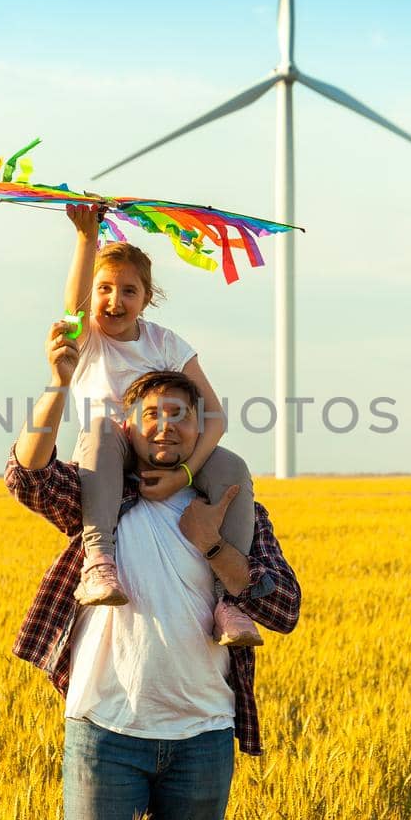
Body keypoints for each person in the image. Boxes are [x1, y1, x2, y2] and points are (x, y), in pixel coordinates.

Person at [5, 324, 302, 820]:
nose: (165, 425)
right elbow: (27, 476)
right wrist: (57, 383)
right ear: (129, 427)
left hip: (204, 736)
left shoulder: (231, 506)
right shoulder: (102, 495)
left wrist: (213, 545)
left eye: (180, 415)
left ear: (200, 429)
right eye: (151, 414)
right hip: (104, 730)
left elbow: (284, 609)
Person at [59, 202, 261, 648]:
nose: (115, 300)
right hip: (110, 453)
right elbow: (73, 307)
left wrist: (184, 476)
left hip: (169, 449)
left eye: (129, 291)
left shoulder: (166, 343)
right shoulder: (88, 336)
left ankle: (230, 603)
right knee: (102, 428)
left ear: (147, 298)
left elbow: (214, 415)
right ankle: (99, 563)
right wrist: (85, 238)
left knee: (232, 468)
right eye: (105, 289)